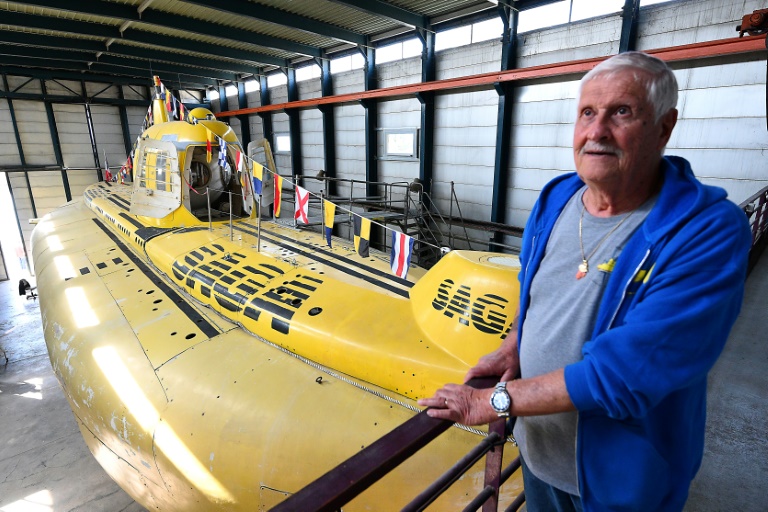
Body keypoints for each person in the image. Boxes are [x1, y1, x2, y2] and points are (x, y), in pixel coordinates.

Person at [418, 51, 751, 511]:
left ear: (664, 127)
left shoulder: (706, 230)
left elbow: (625, 376)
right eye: (587, 113)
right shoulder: (557, 197)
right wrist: (515, 344)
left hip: (621, 485)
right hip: (539, 457)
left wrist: (492, 402)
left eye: (622, 112)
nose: (597, 132)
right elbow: (536, 296)